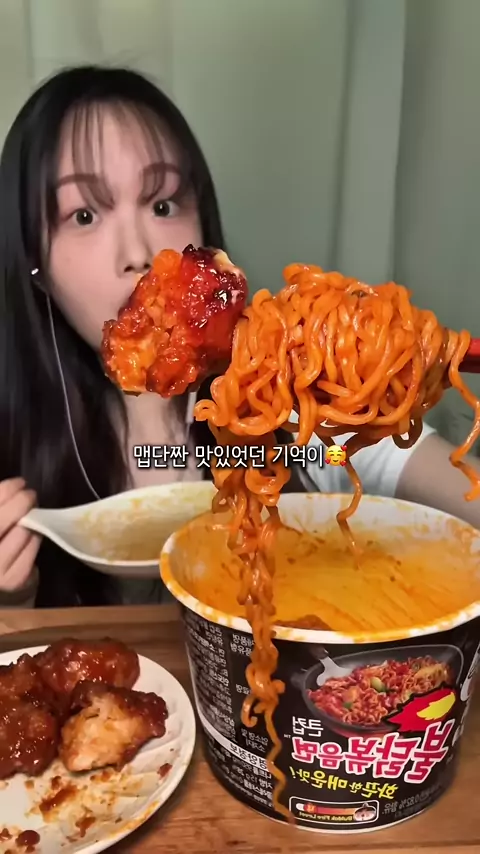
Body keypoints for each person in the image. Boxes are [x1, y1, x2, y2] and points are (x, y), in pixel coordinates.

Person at [0, 65, 479, 610]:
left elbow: (404, 465)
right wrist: (13, 600)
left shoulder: (287, 390)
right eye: (84, 215)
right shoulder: (15, 436)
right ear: (35, 264)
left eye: (163, 205)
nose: (139, 253)